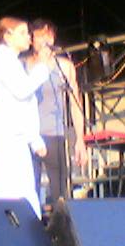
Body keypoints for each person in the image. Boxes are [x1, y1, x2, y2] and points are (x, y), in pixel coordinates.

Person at [0, 17, 52, 218]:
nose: (28, 37)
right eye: (22, 33)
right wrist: (43, 67)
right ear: (7, 36)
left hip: (14, 132)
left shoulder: (12, 60)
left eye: (28, 33)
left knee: (22, 189)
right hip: (4, 131)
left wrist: (34, 139)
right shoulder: (2, 58)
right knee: (7, 188)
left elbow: (25, 104)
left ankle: (24, 228)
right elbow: (22, 90)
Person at [25, 18, 87, 210]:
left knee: (60, 193)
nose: (45, 40)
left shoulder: (64, 66)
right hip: (28, 135)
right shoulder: (23, 65)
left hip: (55, 134)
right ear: (31, 40)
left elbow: (75, 103)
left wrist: (80, 139)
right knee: (29, 190)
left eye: (49, 36)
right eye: (40, 36)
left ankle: (61, 225)